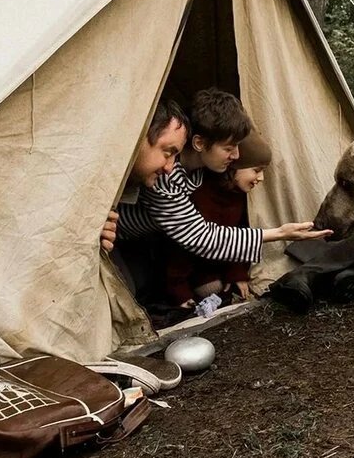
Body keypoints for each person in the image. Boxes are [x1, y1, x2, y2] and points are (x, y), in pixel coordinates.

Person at [101, 89, 329, 303]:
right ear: (199, 143)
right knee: (130, 291)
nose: (236, 155)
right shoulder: (164, 177)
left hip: (151, 236)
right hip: (118, 236)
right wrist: (279, 233)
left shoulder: (202, 168)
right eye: (229, 148)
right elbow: (200, 236)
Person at [155, 130, 273, 307]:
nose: (261, 178)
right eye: (256, 170)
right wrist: (179, 290)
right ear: (234, 167)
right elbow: (179, 247)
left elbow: (239, 232)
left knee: (225, 289)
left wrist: (237, 273)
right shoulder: (203, 194)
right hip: (190, 265)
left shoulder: (238, 195)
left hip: (218, 260)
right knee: (212, 288)